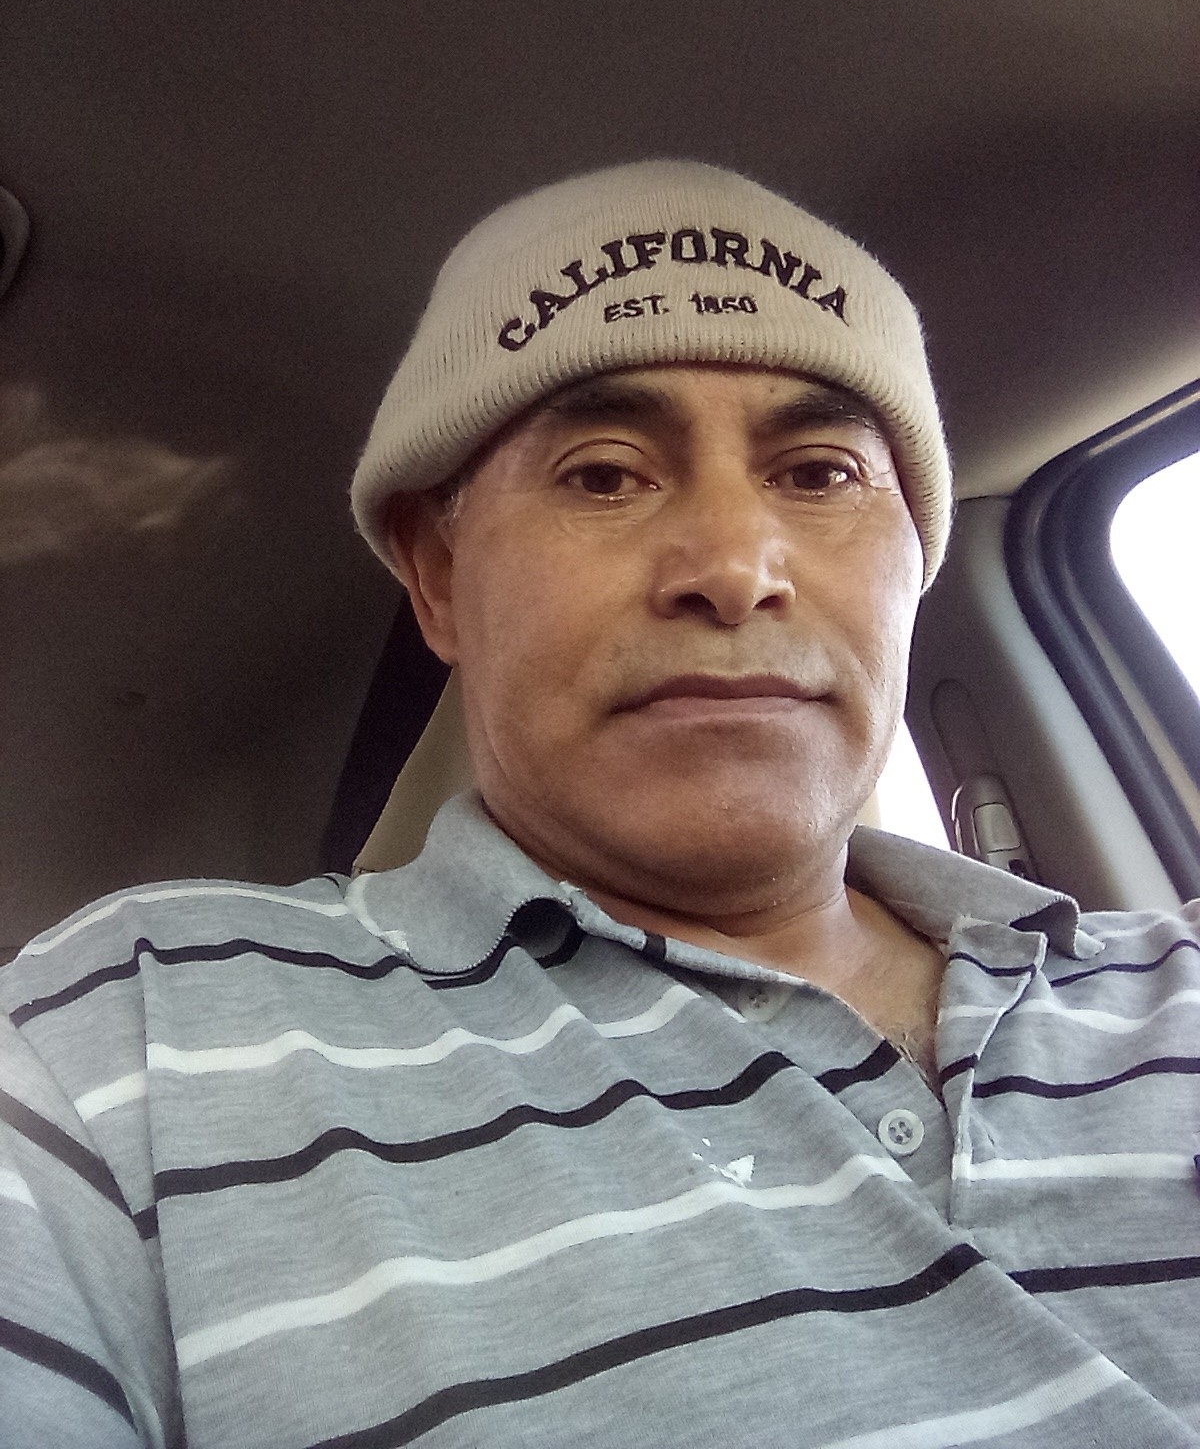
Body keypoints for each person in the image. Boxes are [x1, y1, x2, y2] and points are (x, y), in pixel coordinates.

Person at [1, 160, 1197, 1448]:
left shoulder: (1172, 984)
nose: (736, 567)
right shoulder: (124, 1043)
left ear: (913, 565)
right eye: (604, 474)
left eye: (822, 474)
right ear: (439, 577)